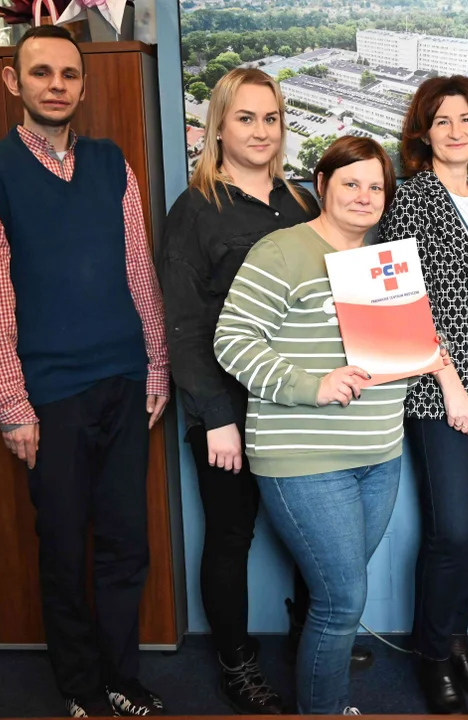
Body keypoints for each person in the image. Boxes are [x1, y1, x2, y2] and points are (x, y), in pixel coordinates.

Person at [0, 25, 170, 718]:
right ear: (13, 81)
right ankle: (80, 688)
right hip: (49, 398)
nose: (56, 85)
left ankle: (122, 679)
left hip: (125, 383)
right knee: (64, 551)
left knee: (125, 545)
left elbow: (139, 271)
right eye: (41, 72)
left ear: (82, 84)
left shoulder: (111, 164)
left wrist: (157, 367)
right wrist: (9, 406)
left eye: (69, 74)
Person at [157, 67, 368, 714]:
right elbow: (183, 324)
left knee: (316, 538)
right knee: (231, 537)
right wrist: (215, 417)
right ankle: (236, 663)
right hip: (230, 408)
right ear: (218, 126)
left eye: (270, 118)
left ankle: (314, 638)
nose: (260, 131)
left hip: (301, 404)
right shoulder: (196, 210)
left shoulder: (301, 202)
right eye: (245, 118)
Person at [214, 137, 444, 714]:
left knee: (339, 596)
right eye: (351, 183)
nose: (364, 196)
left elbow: (400, 354)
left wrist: (421, 356)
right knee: (342, 600)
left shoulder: (384, 263)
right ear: (322, 185)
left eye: (376, 187)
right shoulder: (282, 250)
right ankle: (326, 709)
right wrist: (311, 385)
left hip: (379, 454)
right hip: (304, 458)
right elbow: (231, 340)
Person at [375, 75, 468, 713]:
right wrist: (449, 381)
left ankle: (456, 643)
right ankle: (432, 657)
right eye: (442, 120)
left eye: (467, 119)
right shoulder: (409, 201)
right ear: (423, 133)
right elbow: (398, 303)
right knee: (450, 529)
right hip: (440, 388)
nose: (456, 131)